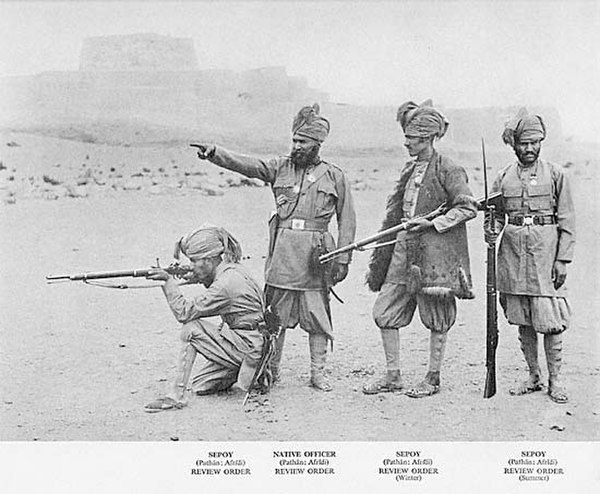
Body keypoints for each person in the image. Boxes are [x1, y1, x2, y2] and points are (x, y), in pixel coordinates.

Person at [191, 104, 356, 391]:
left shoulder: (334, 176)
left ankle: (318, 374)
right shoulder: (280, 167)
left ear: (317, 144)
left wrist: (343, 259)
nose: (297, 146)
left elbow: (347, 220)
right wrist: (216, 153)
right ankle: (271, 369)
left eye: (303, 142)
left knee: (317, 318)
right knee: (273, 319)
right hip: (282, 258)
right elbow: (249, 165)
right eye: (294, 141)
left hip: (316, 258)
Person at [363, 100, 477, 398]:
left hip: (435, 254)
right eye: (407, 137)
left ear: (427, 138)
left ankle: (433, 378)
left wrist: (433, 224)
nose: (407, 143)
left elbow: (467, 207)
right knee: (385, 310)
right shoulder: (410, 169)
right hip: (403, 248)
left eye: (412, 138)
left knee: (437, 315)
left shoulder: (450, 168)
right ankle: (392, 375)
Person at [484, 108, 575, 404]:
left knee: (549, 318)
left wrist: (562, 260)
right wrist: (491, 228)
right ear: (514, 145)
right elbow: (497, 216)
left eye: (535, 142)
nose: (530, 149)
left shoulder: (557, 174)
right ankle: (533, 376)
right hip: (511, 253)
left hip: (544, 253)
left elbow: (568, 221)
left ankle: (555, 381)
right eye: (524, 143)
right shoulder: (503, 177)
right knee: (523, 318)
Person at [143, 225, 265, 412]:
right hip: (254, 344)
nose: (190, 265)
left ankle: (176, 396)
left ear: (209, 259)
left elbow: (184, 313)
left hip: (248, 346)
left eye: (193, 261)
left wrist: (168, 282)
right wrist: (195, 276)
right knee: (202, 385)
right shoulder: (233, 270)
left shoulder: (225, 284)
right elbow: (216, 289)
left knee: (190, 328)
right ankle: (250, 375)